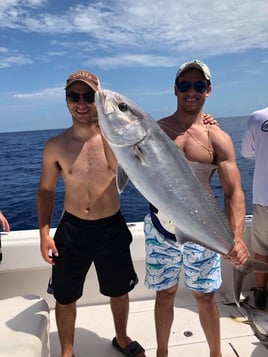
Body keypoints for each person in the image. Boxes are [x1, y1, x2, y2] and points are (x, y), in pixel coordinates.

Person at [143, 60, 249, 357]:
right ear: (175, 89)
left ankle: (216, 354)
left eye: (199, 86)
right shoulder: (155, 131)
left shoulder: (218, 138)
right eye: (185, 85)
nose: (191, 92)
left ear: (208, 90)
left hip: (201, 230)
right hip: (160, 228)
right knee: (164, 295)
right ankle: (162, 353)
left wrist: (237, 238)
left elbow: (233, 192)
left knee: (204, 297)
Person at [36, 70, 146, 357]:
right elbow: (46, 191)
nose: (81, 103)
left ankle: (121, 337)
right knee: (64, 297)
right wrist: (45, 233)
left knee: (119, 291)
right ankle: (68, 351)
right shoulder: (55, 146)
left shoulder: (117, 139)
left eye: (88, 96)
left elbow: (149, 142)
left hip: (111, 226)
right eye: (74, 96)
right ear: (66, 100)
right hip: (72, 229)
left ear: (99, 100)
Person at [241, 107, 268, 309]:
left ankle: (260, 296)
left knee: (261, 248)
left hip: (263, 197)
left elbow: (247, 152)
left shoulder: (257, 117)